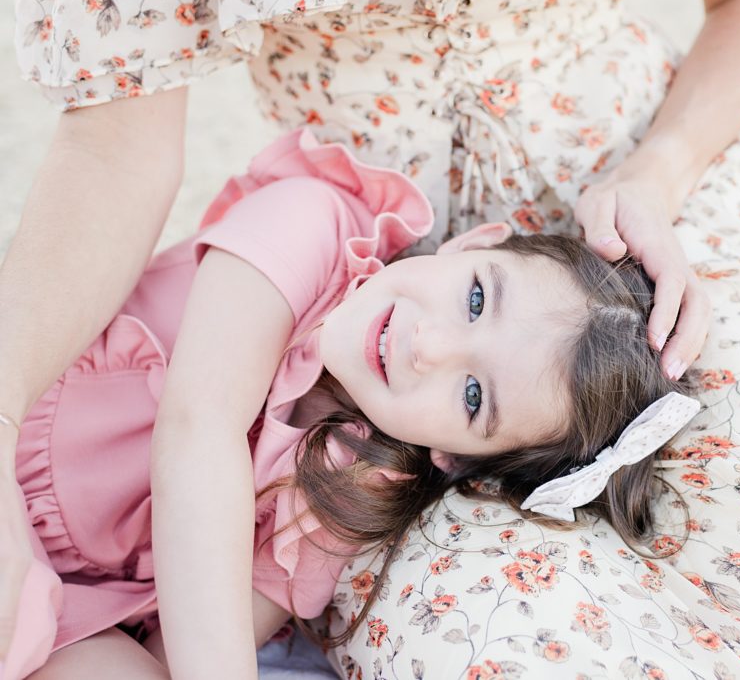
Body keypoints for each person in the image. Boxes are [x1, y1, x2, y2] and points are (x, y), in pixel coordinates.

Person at [0, 131, 700, 679]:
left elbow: (191, 640)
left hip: (71, 599)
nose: (429, 344)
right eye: (477, 298)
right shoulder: (313, 222)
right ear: (471, 244)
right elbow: (197, 425)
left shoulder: (356, 482)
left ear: (452, 456)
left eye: (472, 393)